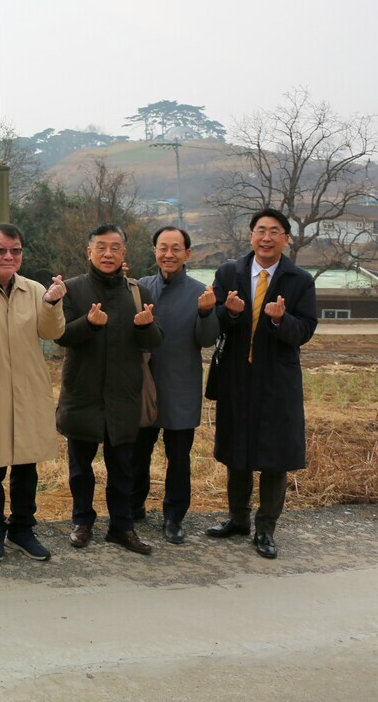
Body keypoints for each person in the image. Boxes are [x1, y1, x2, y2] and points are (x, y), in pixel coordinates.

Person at [205, 208, 317, 559]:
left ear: (286, 238)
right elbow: (216, 325)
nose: (266, 237)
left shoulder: (299, 280)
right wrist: (232, 312)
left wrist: (281, 320)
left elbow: (305, 331)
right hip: (237, 378)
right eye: (260, 230)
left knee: (274, 458)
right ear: (251, 235)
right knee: (237, 453)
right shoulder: (229, 273)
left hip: (277, 382)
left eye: (274, 231)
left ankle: (265, 528)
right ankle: (237, 520)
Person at [0, 223, 66, 562]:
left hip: (28, 388)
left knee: (26, 465)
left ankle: (22, 528)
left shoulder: (34, 289)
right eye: (1, 249)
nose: (9, 256)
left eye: (15, 250)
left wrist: (52, 303)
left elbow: (52, 332)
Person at [55, 223, 163, 555]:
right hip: (83, 393)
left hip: (123, 394)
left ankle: (122, 526)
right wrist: (88, 324)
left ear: (124, 254)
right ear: (89, 252)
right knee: (80, 467)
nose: (108, 253)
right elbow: (60, 335)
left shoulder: (137, 292)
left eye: (115, 248)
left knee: (122, 468)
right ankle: (82, 522)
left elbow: (154, 341)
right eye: (101, 247)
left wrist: (146, 328)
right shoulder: (72, 289)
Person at [133, 226, 219, 544]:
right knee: (137, 452)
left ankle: (173, 517)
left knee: (179, 458)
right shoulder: (140, 288)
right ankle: (133, 505)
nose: (168, 254)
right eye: (162, 247)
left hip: (182, 384)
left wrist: (207, 312)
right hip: (144, 386)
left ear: (187, 254)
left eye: (175, 248)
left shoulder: (201, 292)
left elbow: (207, 339)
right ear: (154, 250)